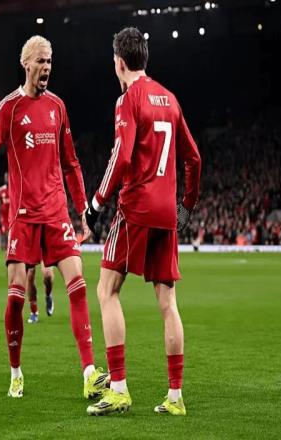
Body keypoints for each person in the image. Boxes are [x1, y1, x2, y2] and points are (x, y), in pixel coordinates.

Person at [0, 35, 109, 399]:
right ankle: (16, 372)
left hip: (56, 211)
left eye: (50, 61)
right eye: (41, 61)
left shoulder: (58, 107)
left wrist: (83, 210)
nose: (46, 67)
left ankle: (89, 372)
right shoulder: (9, 108)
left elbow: (71, 163)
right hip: (23, 215)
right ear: (25, 63)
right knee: (15, 297)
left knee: (78, 284)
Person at [85, 27, 202, 416]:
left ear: (119, 63)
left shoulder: (128, 99)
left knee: (107, 290)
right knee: (168, 302)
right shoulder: (170, 98)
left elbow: (122, 156)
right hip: (167, 212)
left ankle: (118, 388)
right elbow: (194, 158)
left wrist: (96, 203)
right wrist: (186, 205)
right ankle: (175, 397)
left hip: (135, 208)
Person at [0, 173, 10, 250]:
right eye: (6, 177)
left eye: (8, 177)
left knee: (11, 233)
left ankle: (9, 249)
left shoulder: (15, 188)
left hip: (12, 214)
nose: (7, 179)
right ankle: (7, 248)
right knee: (6, 232)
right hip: (4, 215)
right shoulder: (1, 190)